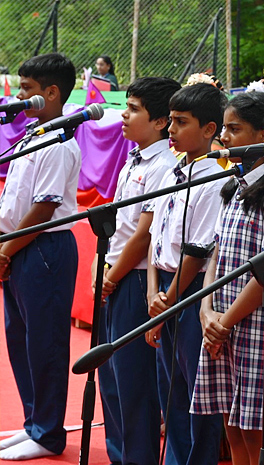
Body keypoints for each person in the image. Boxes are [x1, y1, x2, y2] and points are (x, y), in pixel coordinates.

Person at [191, 91, 264, 465]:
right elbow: (217, 256)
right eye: (224, 128)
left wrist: (225, 321)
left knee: (255, 430)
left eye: (235, 129)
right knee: (232, 426)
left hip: (256, 324)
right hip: (223, 320)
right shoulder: (234, 187)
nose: (225, 137)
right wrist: (207, 310)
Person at [97, 76, 181, 465]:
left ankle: (139, 458)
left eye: (133, 109)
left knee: (133, 382)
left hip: (133, 278)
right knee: (110, 379)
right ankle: (120, 455)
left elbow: (145, 234)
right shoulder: (135, 156)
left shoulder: (164, 164)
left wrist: (112, 276)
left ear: (161, 121)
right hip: (116, 271)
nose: (123, 115)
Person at [0, 53, 79, 461]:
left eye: (28, 89)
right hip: (17, 245)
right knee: (20, 340)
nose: (19, 96)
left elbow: (44, 206)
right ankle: (33, 422)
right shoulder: (33, 133)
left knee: (45, 344)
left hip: (42, 248)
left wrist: (6, 249)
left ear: (51, 93)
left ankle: (48, 432)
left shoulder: (59, 142)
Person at [144, 82, 227, 465]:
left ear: (210, 129)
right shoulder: (172, 170)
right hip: (163, 287)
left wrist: (169, 298)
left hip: (190, 291)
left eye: (181, 122)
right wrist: (152, 294)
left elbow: (197, 250)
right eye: (171, 121)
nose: (172, 130)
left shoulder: (216, 178)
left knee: (197, 390)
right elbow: (154, 234)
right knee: (170, 390)